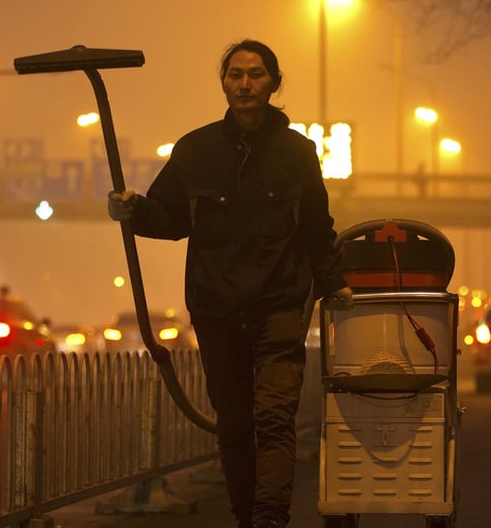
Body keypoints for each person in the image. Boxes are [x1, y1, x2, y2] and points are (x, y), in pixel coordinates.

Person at [107, 39, 353, 528]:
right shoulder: (195, 151)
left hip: (279, 306)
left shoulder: (297, 153)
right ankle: (247, 517)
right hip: (216, 308)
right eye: (235, 75)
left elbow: (316, 228)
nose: (244, 84)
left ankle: (269, 518)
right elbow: (169, 217)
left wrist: (333, 285)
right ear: (223, 83)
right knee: (235, 424)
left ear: (274, 83)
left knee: (275, 417)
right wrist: (131, 211)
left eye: (256, 75)